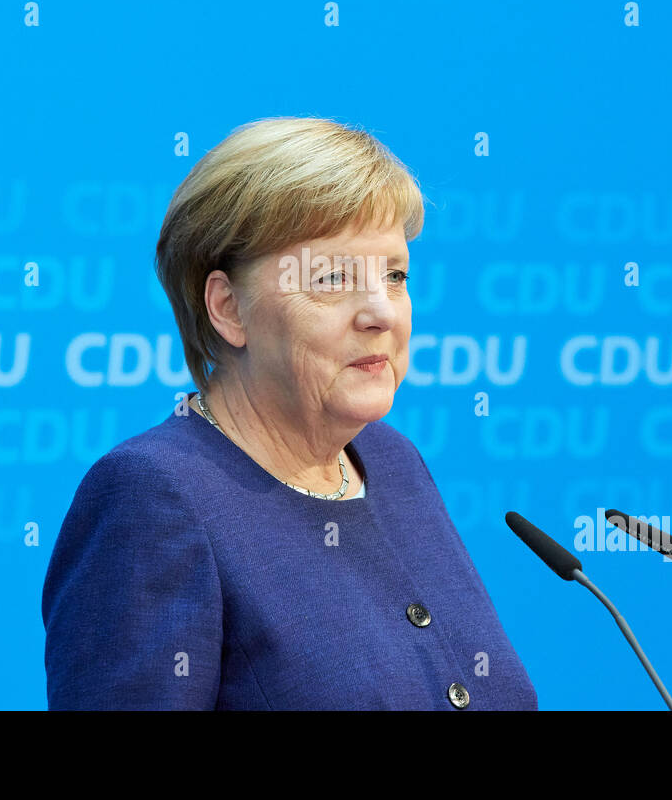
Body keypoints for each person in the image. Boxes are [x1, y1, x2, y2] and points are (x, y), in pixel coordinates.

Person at [41, 116, 538, 709]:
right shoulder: (154, 496)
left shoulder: (392, 461)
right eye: (333, 278)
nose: (382, 313)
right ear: (229, 308)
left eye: (395, 275)